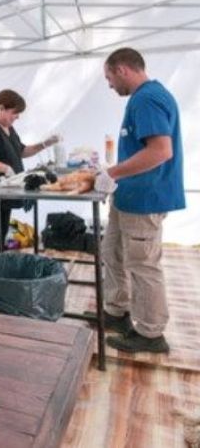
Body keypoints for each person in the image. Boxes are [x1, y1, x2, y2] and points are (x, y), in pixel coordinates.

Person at [94, 47, 184, 354]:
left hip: (145, 198)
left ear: (123, 70)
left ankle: (150, 333)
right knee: (113, 252)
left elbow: (160, 150)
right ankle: (117, 311)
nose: (109, 85)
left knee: (143, 265)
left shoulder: (147, 98)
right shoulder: (142, 98)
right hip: (129, 197)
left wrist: (113, 173)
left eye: (109, 77)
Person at [0, 89, 60, 257]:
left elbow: (21, 151)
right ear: (1, 108)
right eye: (15, 113)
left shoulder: (8, 128)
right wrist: (5, 168)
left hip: (2, 192)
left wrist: (44, 144)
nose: (17, 117)